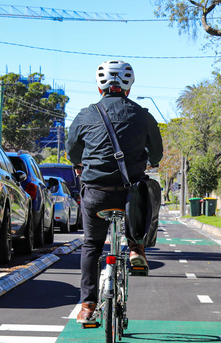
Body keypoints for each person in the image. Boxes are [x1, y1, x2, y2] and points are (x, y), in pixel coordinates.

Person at [67, 60, 163, 325]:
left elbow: (72, 150)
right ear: (129, 87)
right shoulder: (143, 115)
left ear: (100, 87)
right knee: (147, 193)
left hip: (96, 194)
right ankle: (136, 248)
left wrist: (80, 163)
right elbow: (157, 153)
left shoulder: (86, 114)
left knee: (91, 245)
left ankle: (87, 306)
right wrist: (150, 160)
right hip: (131, 195)